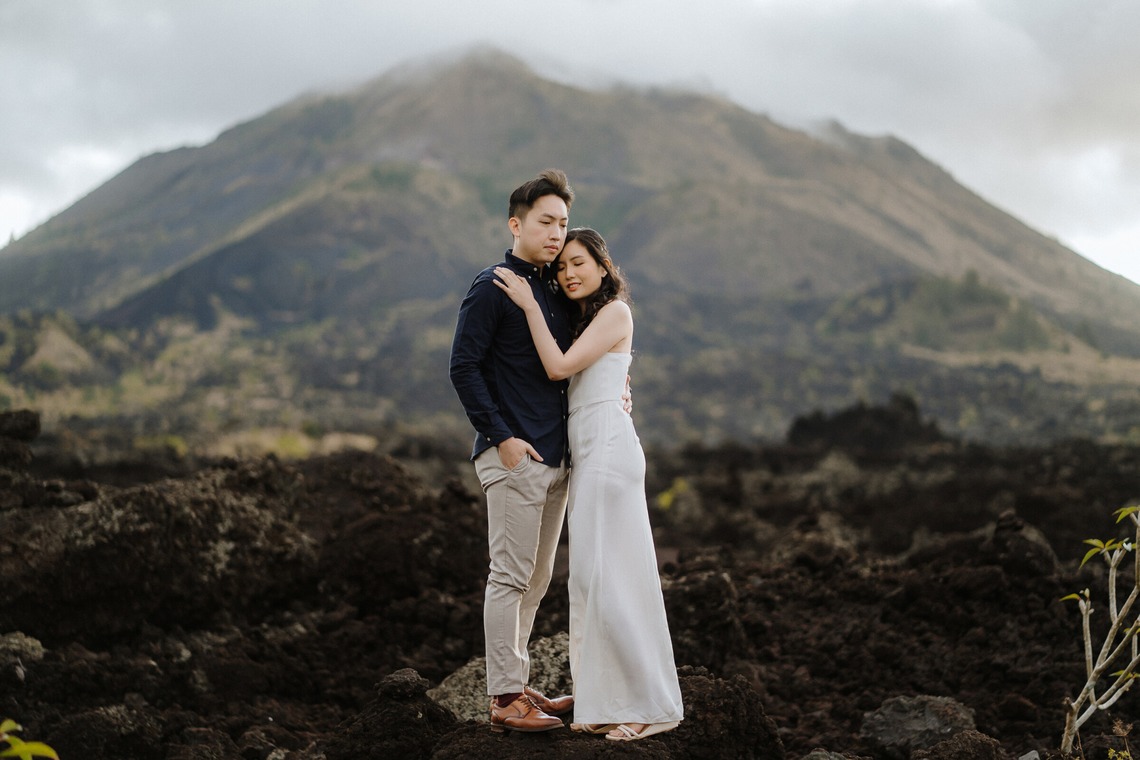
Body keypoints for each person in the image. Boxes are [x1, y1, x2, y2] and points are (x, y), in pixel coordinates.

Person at [492, 227, 684, 742]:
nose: (569, 273)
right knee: (591, 582)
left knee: (613, 580)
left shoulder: (615, 311)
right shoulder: (589, 320)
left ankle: (646, 706)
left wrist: (531, 306)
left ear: (603, 266)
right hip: (591, 451)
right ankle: (603, 701)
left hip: (608, 453)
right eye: (561, 267)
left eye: (579, 262)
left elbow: (557, 368)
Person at [449, 169, 579, 733]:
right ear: (516, 223)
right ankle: (504, 699)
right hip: (514, 456)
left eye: (563, 224)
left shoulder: (553, 286)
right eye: (546, 222)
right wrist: (501, 437)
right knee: (509, 577)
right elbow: (463, 366)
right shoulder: (493, 285)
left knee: (538, 578)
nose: (556, 234)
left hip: (555, 459)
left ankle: (518, 684)